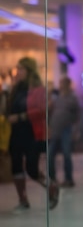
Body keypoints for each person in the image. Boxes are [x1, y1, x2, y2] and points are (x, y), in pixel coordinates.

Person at [6, 57, 59, 212]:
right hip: (16, 132)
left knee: (31, 168)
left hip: (32, 133)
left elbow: (43, 110)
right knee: (15, 165)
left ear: (28, 71)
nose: (18, 72)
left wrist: (21, 116)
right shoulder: (16, 89)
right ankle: (23, 200)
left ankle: (51, 187)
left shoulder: (38, 89)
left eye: (20, 69)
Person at [48, 77, 80, 187]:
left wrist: (75, 130)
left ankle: (68, 179)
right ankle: (51, 178)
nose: (61, 86)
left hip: (66, 129)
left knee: (66, 154)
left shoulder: (73, 98)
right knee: (50, 154)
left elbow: (77, 115)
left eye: (62, 83)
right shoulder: (57, 98)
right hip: (55, 129)